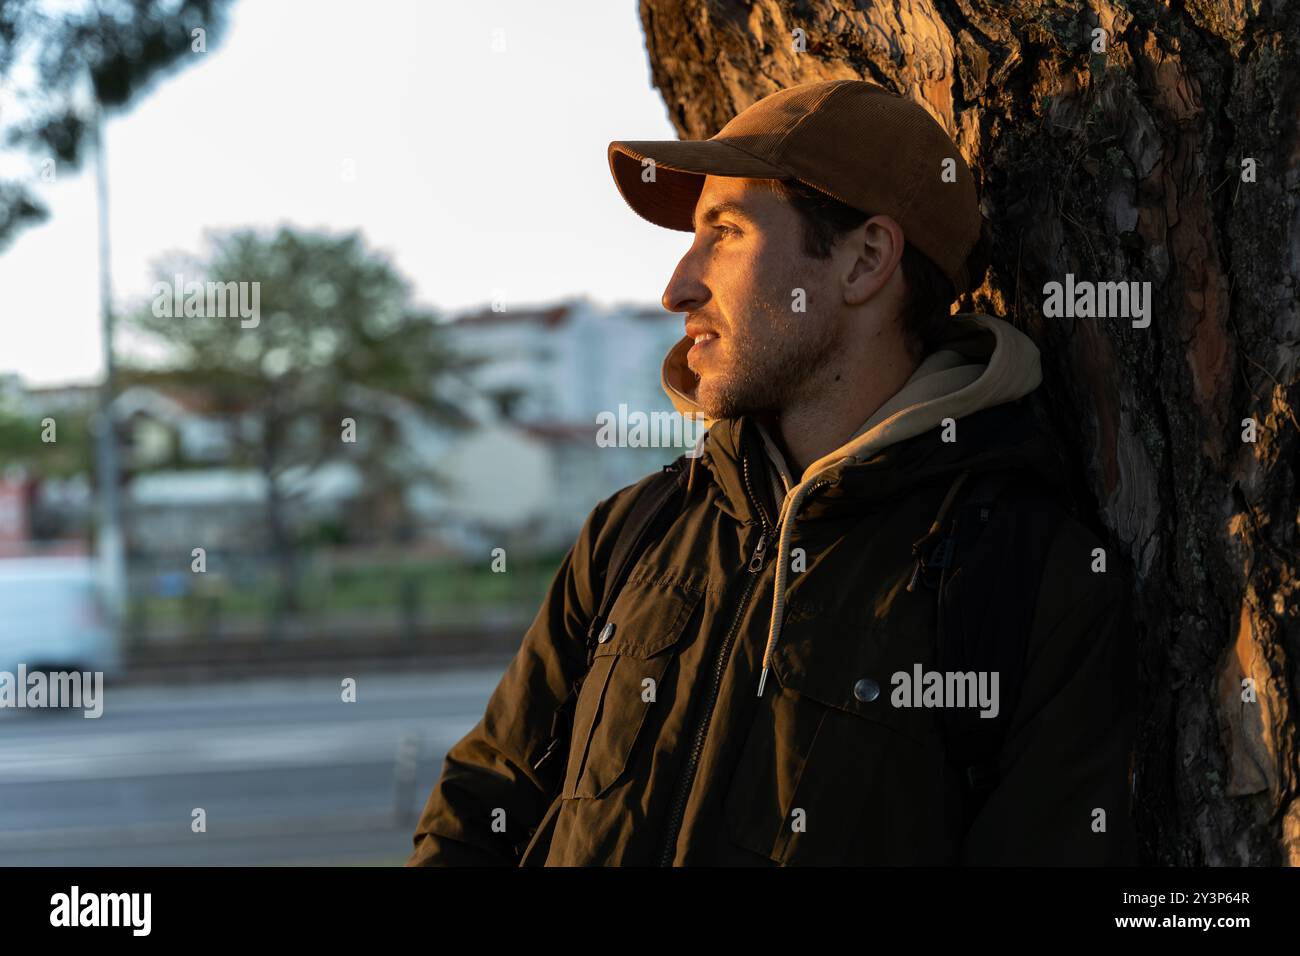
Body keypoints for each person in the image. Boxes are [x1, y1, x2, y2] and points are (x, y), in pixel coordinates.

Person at [407, 79, 1138, 866]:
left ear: (863, 263)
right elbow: (481, 804)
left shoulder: (1030, 583)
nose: (677, 286)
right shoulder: (635, 532)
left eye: (723, 232)